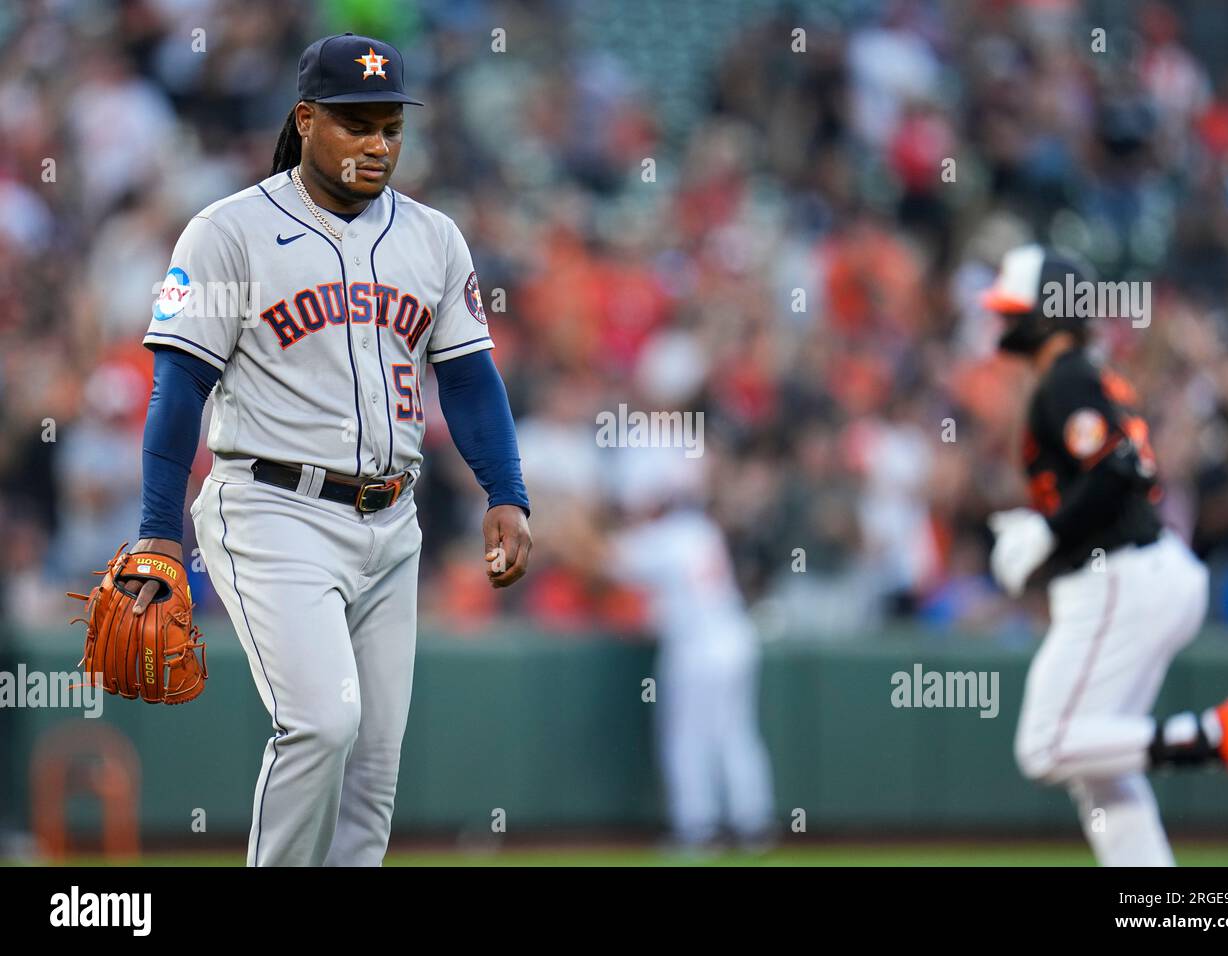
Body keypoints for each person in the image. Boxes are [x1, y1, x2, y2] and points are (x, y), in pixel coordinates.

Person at [127, 33, 531, 866]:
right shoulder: (227, 232)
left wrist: (507, 492)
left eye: (390, 127)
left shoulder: (432, 237)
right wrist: (157, 530)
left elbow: (470, 380)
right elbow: (178, 395)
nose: (378, 144)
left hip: (392, 520)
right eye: (356, 125)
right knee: (321, 721)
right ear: (305, 119)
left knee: (373, 770)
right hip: (272, 509)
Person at [983, 244, 1228, 866]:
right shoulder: (1083, 375)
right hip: (1140, 572)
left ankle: (1214, 735)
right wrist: (1046, 527)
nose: (1003, 322)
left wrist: (1046, 534)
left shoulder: (1066, 377)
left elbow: (1115, 471)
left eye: (1014, 310)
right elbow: (1110, 471)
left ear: (1047, 314)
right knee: (1101, 768)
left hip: (1120, 577)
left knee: (1046, 745)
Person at [559, 448, 774, 851]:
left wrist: (569, 524)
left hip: (698, 650)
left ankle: (697, 829)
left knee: (687, 738)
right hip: (735, 640)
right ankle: (753, 824)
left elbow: (603, 558)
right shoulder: (699, 528)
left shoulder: (666, 538)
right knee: (735, 734)